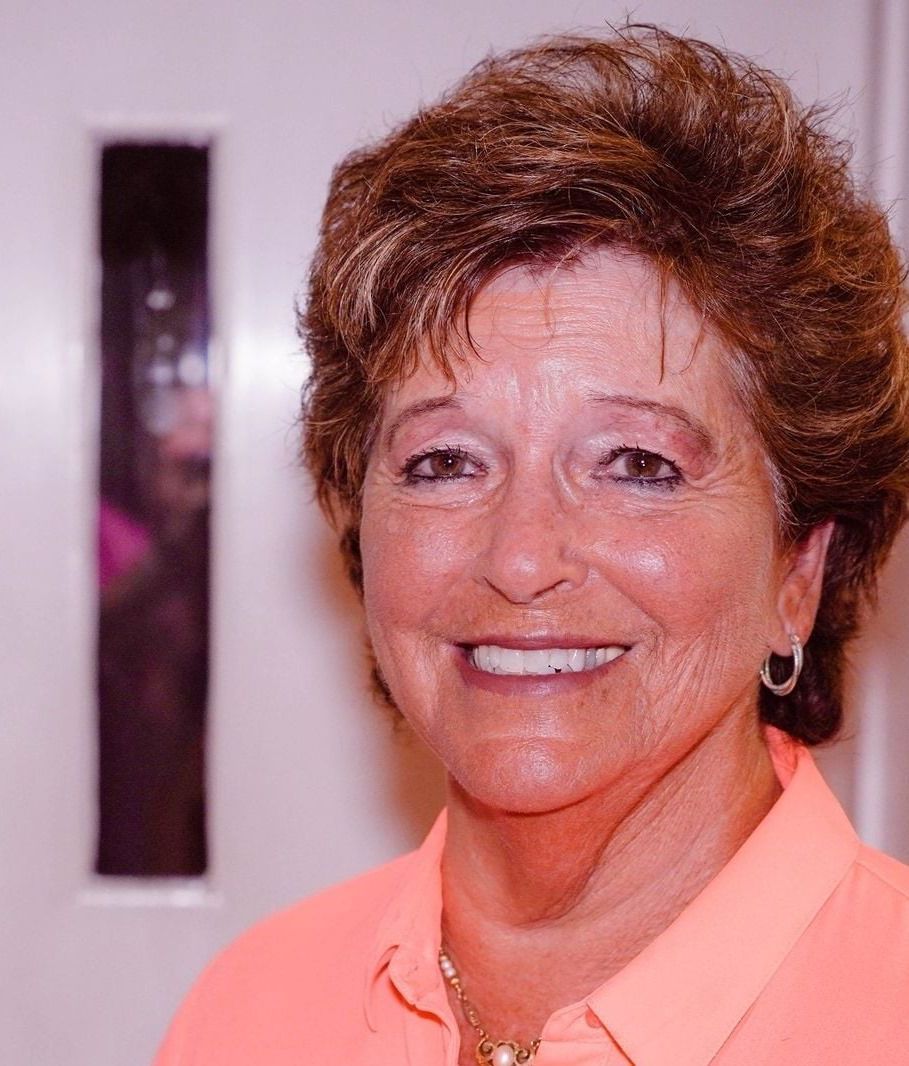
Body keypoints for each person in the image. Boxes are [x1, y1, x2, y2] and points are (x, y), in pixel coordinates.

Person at [155, 25, 909, 1066]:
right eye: (446, 461)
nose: (520, 557)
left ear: (800, 568)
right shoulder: (252, 1011)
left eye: (638, 463)